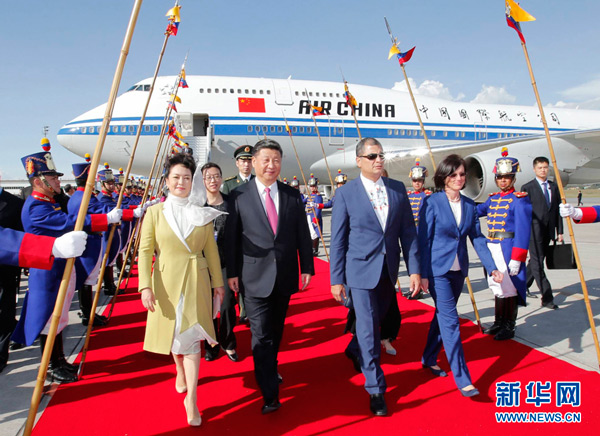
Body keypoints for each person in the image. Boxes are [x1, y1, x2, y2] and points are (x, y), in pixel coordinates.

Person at [11, 139, 120, 383]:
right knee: (49, 319)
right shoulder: (35, 207)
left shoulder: (48, 203)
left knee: (58, 319)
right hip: (48, 273)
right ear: (39, 182)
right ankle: (51, 365)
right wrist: (106, 220)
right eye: (53, 178)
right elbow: (70, 224)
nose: (58, 182)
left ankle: (59, 359)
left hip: (60, 269)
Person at [330, 137, 420, 416]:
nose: (378, 160)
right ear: (359, 161)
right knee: (369, 329)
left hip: (388, 270)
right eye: (372, 156)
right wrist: (336, 278)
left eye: (381, 155)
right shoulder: (346, 193)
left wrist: (414, 269)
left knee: (376, 320)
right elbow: (338, 240)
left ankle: (354, 346)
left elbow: (408, 233)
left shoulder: (396, 189)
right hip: (359, 270)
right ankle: (375, 388)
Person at [225, 139, 314, 414]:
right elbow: (231, 240)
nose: (271, 165)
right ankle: (269, 393)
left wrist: (307, 267)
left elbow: (302, 233)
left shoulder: (291, 195)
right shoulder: (239, 196)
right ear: (253, 162)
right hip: (253, 277)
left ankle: (270, 366)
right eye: (265, 160)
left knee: (276, 332)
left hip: (285, 275)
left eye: (276, 160)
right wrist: (232, 274)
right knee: (261, 335)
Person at [138, 153, 226, 427]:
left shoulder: (202, 212)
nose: (181, 182)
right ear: (166, 181)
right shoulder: (154, 212)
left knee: (191, 339)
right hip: (165, 284)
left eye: (186, 178)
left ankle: (193, 400)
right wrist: (145, 286)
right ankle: (178, 368)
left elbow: (210, 250)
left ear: (193, 181)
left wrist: (218, 284)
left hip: (196, 281)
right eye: (176, 177)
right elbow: (144, 251)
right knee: (174, 338)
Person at [418, 154, 502, 397]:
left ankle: (429, 357)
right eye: (453, 174)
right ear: (444, 176)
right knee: (451, 321)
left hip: (458, 271)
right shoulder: (432, 202)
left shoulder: (468, 205)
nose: (459, 178)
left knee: (443, 315)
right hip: (437, 271)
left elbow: (477, 237)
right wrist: (422, 273)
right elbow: (424, 240)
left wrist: (492, 267)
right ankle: (463, 378)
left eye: (462, 174)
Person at [476, 148, 532, 341]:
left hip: (507, 247)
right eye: (500, 177)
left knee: (509, 288)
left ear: (514, 178)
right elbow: (475, 211)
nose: (503, 181)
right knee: (497, 286)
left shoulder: (520, 201)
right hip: (492, 247)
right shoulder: (492, 199)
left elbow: (523, 232)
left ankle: (509, 325)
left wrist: (517, 258)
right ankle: (499, 321)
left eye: (507, 177)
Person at [201, 162, 238, 363]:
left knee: (226, 306)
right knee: (207, 307)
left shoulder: (231, 203)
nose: (213, 180)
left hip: (225, 262)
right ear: (202, 181)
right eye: (208, 177)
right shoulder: (198, 205)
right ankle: (211, 344)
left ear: (221, 178)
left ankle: (228, 342)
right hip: (203, 263)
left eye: (216, 176)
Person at [521, 157, 563, 309]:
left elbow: (558, 211)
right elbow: (523, 214)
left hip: (549, 231)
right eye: (540, 168)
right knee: (538, 264)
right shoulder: (528, 188)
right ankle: (547, 297)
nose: (543, 170)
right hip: (534, 231)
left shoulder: (554, 187)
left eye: (545, 167)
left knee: (536, 261)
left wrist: (560, 231)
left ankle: (522, 285)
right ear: (534, 169)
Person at [221, 145, 254, 324]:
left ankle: (246, 310)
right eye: (243, 161)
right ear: (237, 163)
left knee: (248, 275)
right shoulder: (229, 184)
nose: (246, 164)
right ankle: (236, 305)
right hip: (235, 237)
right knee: (236, 273)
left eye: (249, 160)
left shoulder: (258, 182)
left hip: (253, 238)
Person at [0, 180, 24, 374]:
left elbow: (21, 236)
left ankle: (1, 355)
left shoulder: (14, 203)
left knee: (4, 312)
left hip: (5, 270)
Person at [405, 158, 432, 301]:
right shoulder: (408, 196)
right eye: (415, 180)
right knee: (411, 260)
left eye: (420, 180)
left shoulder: (427, 197)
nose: (417, 183)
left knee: (420, 261)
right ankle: (412, 288)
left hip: (422, 232)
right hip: (410, 232)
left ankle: (418, 290)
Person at [304, 174, 329, 257]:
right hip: (308, 215)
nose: (312, 188)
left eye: (313, 186)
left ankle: (314, 250)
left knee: (315, 234)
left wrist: (316, 218)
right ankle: (312, 248)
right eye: (311, 186)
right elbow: (304, 202)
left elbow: (318, 208)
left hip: (313, 216)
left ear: (316, 187)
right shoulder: (310, 195)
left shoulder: (318, 196)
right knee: (311, 233)